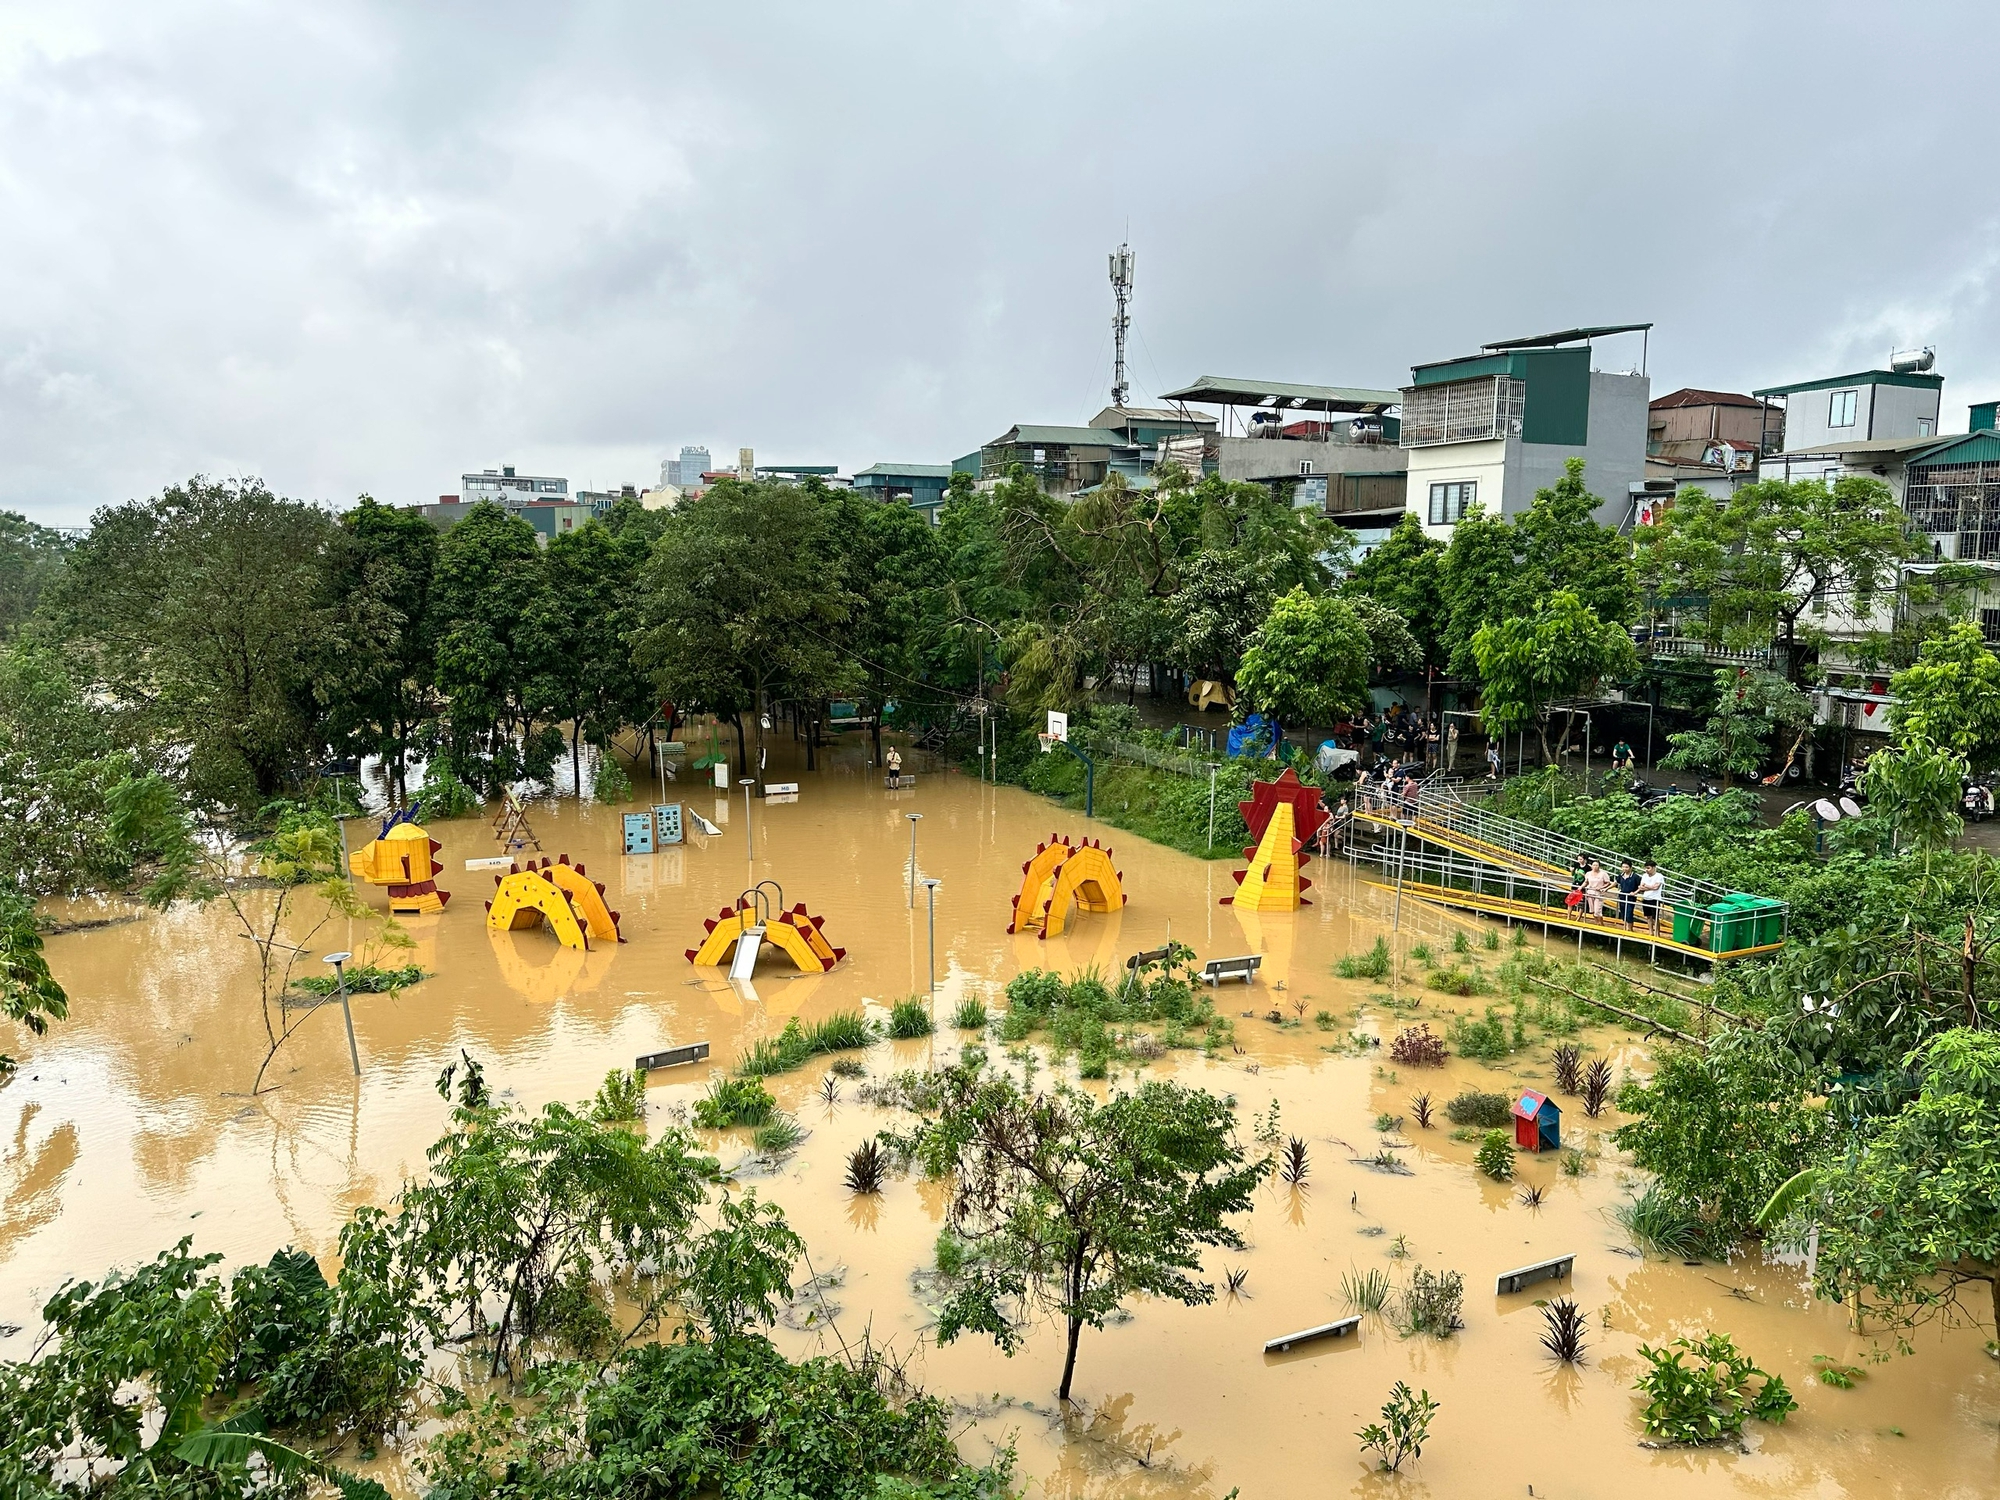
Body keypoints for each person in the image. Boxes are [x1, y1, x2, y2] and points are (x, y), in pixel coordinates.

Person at [1637, 860, 1666, 937]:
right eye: (1646, 868)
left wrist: (1646, 886)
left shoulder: (1659, 876)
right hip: (1646, 898)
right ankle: (1651, 932)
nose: (1646, 870)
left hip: (1655, 899)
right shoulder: (1644, 875)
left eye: (1648, 868)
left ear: (1653, 868)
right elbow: (1641, 887)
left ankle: (1657, 934)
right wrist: (1650, 887)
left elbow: (1656, 887)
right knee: (1648, 916)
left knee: (1655, 917)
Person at [1615, 860, 1641, 927]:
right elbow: (1615, 882)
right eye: (1623, 867)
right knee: (1623, 912)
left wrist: (1635, 893)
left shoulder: (1635, 877)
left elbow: (1640, 887)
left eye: (1626, 867)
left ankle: (1630, 928)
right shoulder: (1621, 875)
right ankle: (1625, 926)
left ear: (1630, 867)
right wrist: (1606, 888)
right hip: (1622, 896)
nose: (1624, 869)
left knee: (1629, 912)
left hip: (1631, 897)